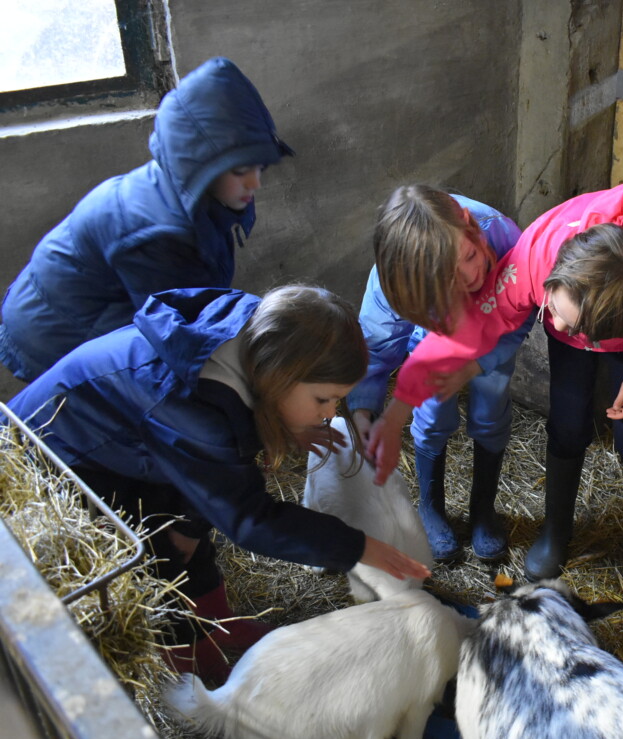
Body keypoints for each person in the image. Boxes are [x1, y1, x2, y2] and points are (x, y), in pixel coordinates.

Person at [5, 286, 430, 683]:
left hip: (133, 440)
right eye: (323, 399)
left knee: (191, 531)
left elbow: (226, 455)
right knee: (159, 560)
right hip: (60, 458)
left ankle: (220, 623)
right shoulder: (196, 412)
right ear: (281, 376)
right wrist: (357, 547)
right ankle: (200, 669)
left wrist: (292, 424)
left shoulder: (259, 337)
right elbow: (249, 518)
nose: (330, 413)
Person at [365, 176, 623, 607]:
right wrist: (401, 408)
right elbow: (490, 317)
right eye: (551, 309)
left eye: (563, 320)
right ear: (552, 280)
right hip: (578, 313)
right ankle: (556, 532)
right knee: (567, 419)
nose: (551, 325)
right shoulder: (536, 256)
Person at [0, 57, 293, 382]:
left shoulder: (191, 194)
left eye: (259, 167)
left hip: (62, 310)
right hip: (54, 338)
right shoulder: (160, 234)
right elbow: (174, 335)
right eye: (240, 170)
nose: (255, 183)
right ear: (199, 166)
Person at [349, 186, 530, 563]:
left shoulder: (504, 237)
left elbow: (521, 312)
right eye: (449, 278)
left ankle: (483, 509)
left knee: (491, 404)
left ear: (469, 226)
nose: (471, 275)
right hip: (436, 334)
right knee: (432, 413)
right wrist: (363, 410)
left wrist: (478, 363)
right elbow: (377, 341)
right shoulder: (393, 277)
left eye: (469, 256)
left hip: (495, 329)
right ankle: (431, 507)